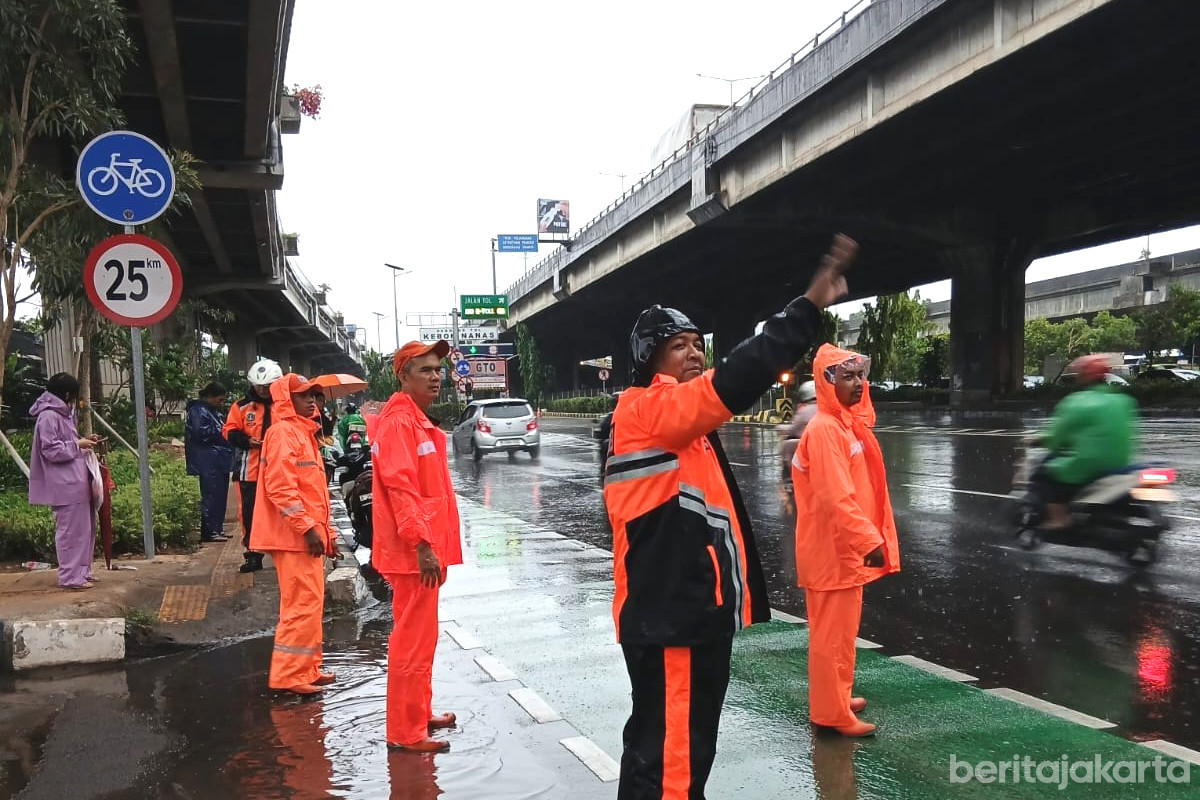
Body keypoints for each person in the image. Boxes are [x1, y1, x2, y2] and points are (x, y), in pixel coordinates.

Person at [603, 234, 855, 798]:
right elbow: (740, 375)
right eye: (679, 346)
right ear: (650, 360)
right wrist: (808, 305)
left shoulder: (681, 424)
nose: (696, 354)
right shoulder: (649, 410)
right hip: (670, 619)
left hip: (691, 616)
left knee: (683, 751)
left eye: (699, 344)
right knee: (669, 759)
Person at [792, 344, 900, 737]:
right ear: (827, 381)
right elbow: (837, 497)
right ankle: (830, 713)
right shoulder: (825, 431)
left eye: (859, 376)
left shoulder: (841, 426)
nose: (858, 384)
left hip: (841, 551)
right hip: (833, 551)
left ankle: (836, 696)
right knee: (831, 637)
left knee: (840, 633)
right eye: (848, 377)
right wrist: (869, 540)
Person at [372, 339, 464, 753]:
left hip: (425, 551)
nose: (435, 377)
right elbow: (400, 488)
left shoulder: (415, 420)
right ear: (403, 375)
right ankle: (406, 732)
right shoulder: (399, 424)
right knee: (411, 641)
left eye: (437, 369)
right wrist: (422, 544)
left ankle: (418, 713)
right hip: (415, 554)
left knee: (422, 638)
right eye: (425, 370)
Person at [250, 373, 336, 695]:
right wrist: (308, 529)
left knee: (309, 604)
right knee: (300, 606)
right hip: (294, 538)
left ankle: (307, 669)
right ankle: (289, 676)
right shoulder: (284, 433)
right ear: (287, 400)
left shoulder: (302, 433)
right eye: (303, 396)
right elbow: (281, 489)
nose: (312, 400)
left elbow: (314, 493)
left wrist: (327, 534)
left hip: (304, 537)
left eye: (314, 395)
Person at [1036, 354, 1137, 530]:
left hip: (1086, 466)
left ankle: (1059, 518)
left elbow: (1056, 436)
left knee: (1046, 476)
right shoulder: (1123, 401)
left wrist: (1046, 442)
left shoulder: (1076, 402)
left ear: (1081, 376)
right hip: (1120, 465)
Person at [27, 373, 99, 590]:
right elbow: (50, 450)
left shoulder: (64, 413)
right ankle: (70, 576)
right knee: (70, 533)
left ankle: (82, 571)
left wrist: (83, 442)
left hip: (76, 480)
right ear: (68, 394)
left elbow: (66, 442)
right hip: (65, 484)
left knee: (84, 530)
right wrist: (77, 444)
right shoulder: (49, 416)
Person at [223, 359, 283, 573]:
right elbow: (229, 430)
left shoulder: (286, 405)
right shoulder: (241, 407)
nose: (263, 390)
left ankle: (282, 552)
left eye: (267, 386)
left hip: (280, 470)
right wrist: (247, 441)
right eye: (259, 386)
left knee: (282, 512)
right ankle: (253, 554)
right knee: (249, 514)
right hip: (249, 470)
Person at [185, 382, 234, 543]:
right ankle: (210, 530)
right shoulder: (199, 411)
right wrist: (221, 430)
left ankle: (216, 528)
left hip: (217, 459)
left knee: (219, 496)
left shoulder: (209, 411)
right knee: (211, 496)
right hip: (208, 460)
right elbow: (200, 433)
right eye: (219, 400)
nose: (220, 403)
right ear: (209, 397)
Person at [778, 380, 818, 514]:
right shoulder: (825, 408)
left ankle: (789, 480)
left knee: (788, 445)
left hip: (804, 443)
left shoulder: (805, 410)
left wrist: (781, 427)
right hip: (819, 443)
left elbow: (794, 428)